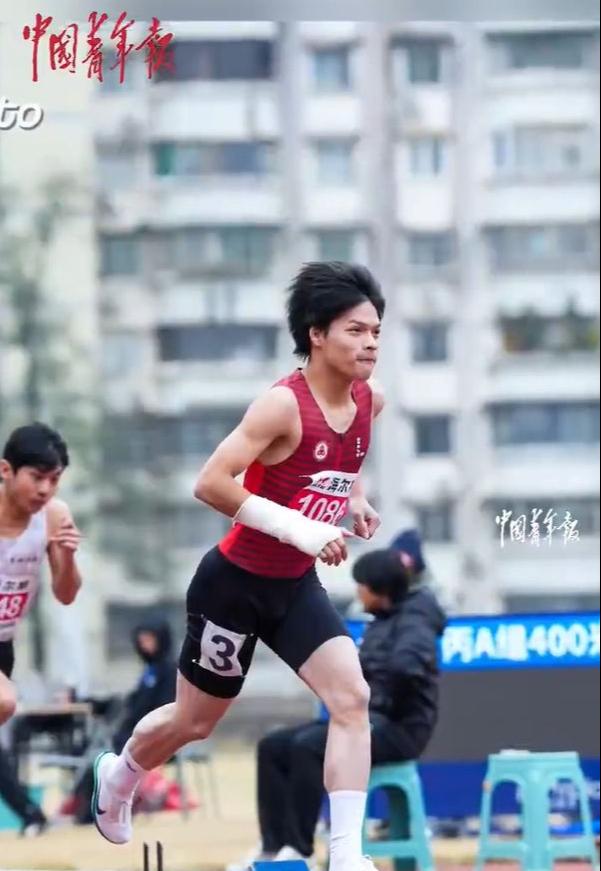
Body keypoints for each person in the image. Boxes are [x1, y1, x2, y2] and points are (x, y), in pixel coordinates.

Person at [93, 261, 386, 871]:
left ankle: (346, 855)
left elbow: (349, 453)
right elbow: (211, 483)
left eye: (376, 332)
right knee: (194, 723)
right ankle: (119, 776)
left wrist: (354, 499)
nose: (370, 344)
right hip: (232, 587)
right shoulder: (282, 406)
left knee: (352, 697)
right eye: (356, 331)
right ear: (316, 334)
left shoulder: (369, 400)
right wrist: (303, 529)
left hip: (294, 588)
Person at [226, 548, 446, 868]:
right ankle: (273, 848)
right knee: (273, 747)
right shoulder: (382, 620)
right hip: (370, 720)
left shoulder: (416, 621)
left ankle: (300, 849)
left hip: (401, 728)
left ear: (380, 588)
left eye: (361, 585)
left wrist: (372, 702)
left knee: (309, 746)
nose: (358, 592)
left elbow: (406, 669)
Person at [0, 423, 82, 833]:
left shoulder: (54, 516)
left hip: (4, 643)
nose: (45, 489)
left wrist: (67, 556)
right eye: (36, 477)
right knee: (4, 702)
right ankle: (30, 814)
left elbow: (66, 594)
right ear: (6, 470)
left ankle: (29, 816)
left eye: (55, 479)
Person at [72, 618, 177, 824]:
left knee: (107, 756)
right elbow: (131, 702)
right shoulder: (149, 671)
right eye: (141, 640)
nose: (144, 645)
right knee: (90, 753)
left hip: (156, 738)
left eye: (149, 639)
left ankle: (106, 810)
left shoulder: (169, 671)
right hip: (133, 735)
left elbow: (163, 708)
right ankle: (89, 809)